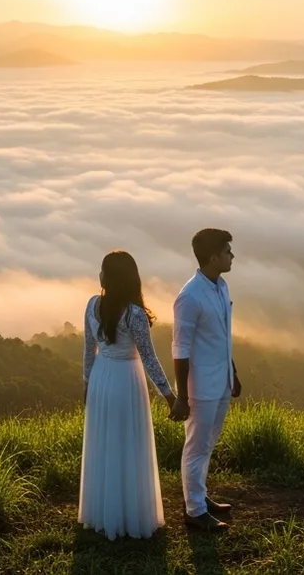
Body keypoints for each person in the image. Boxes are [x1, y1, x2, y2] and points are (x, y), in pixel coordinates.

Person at [79, 250, 177, 540]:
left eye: (103, 270)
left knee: (104, 443)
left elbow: (88, 349)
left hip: (100, 376)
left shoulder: (92, 306)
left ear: (109, 278)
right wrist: (170, 396)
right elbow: (149, 358)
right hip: (125, 379)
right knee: (128, 443)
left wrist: (87, 383)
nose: (99, 275)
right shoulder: (134, 314)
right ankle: (130, 512)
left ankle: (102, 512)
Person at [170, 228, 240, 533]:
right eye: (227, 251)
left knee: (208, 444)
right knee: (196, 446)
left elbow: (222, 336)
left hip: (220, 381)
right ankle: (194, 510)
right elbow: (180, 348)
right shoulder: (190, 297)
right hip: (200, 387)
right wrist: (182, 396)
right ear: (213, 257)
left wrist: (233, 373)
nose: (231, 255)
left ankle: (199, 496)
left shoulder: (220, 286)